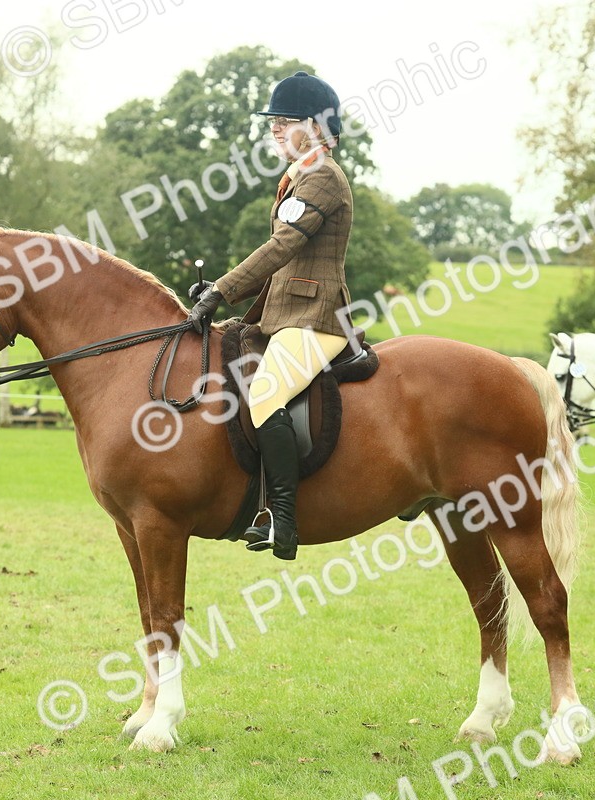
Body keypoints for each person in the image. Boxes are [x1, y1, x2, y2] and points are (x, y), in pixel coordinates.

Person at [186, 71, 354, 560]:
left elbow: (283, 246)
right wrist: (219, 291)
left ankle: (283, 517)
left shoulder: (323, 177)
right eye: (273, 121)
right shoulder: (298, 177)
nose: (275, 128)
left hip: (316, 318)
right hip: (282, 316)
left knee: (264, 393)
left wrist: (222, 290)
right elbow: (282, 261)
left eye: (286, 120)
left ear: (316, 127)